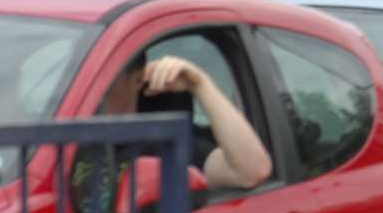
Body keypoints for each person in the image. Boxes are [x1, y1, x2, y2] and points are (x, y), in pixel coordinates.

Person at [101, 53, 273, 190]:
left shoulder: (168, 143)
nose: (97, 90)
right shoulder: (75, 130)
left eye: (103, 77)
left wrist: (200, 84)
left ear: (137, 80)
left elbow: (252, 171)